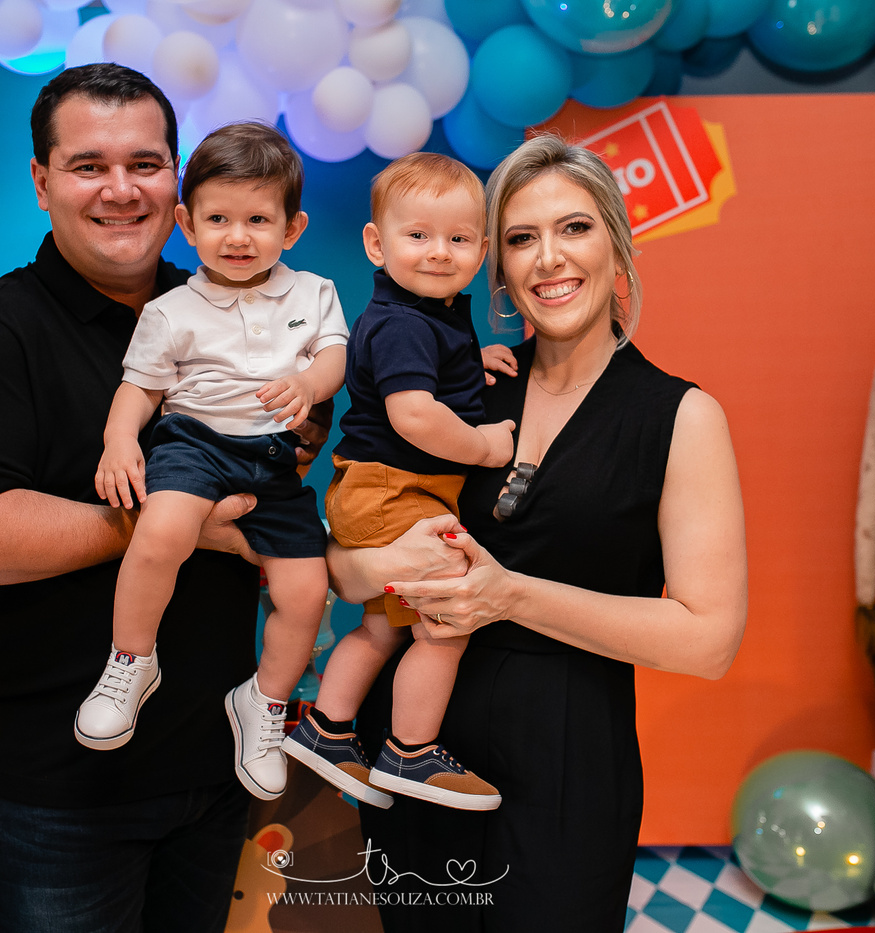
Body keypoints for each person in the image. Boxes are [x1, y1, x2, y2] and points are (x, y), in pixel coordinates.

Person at [0, 64, 328, 933]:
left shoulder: (239, 302)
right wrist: (176, 523)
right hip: (60, 793)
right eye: (89, 165)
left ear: (178, 182)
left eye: (145, 163)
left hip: (213, 768)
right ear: (42, 182)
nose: (121, 189)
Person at [325, 134, 748, 931]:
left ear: (617, 243)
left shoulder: (680, 417)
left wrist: (510, 595)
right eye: (522, 237)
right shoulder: (461, 393)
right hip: (413, 757)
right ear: (499, 264)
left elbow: (709, 640)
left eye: (574, 228)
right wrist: (374, 566)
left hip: (567, 769)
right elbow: (345, 564)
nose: (549, 257)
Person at [78, 122, 347, 807]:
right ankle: (132, 660)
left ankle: (265, 700)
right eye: (219, 219)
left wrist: (309, 385)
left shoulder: (313, 292)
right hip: (193, 443)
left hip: (274, 458)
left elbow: (333, 357)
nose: (237, 236)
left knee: (306, 590)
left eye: (258, 219)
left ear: (292, 228)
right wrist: (119, 440)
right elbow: (139, 387)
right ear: (187, 224)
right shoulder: (170, 311)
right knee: (161, 531)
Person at [283, 153, 516, 812]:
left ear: (482, 251)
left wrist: (468, 364)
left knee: (383, 628)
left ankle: (327, 730)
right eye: (418, 235)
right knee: (446, 624)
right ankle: (411, 750)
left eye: (459, 238)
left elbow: (423, 373)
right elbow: (412, 413)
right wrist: (483, 445)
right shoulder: (405, 322)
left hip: (378, 487)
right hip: (395, 490)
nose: (439, 251)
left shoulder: (426, 314)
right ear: (376, 245)